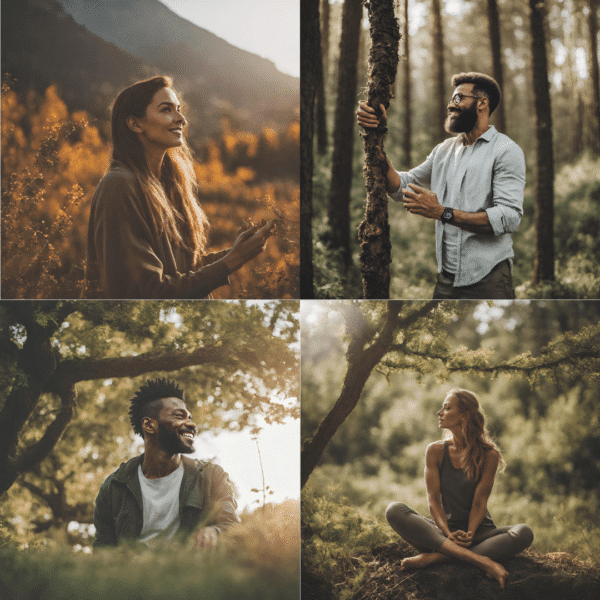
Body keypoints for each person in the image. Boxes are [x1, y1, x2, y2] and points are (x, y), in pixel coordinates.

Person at [86, 76, 276, 299]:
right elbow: (148, 292)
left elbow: (185, 268)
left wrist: (238, 252)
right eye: (167, 110)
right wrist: (231, 261)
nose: (181, 119)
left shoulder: (166, 185)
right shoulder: (119, 185)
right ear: (135, 124)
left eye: (179, 109)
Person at [357, 72, 526, 299]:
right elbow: (401, 185)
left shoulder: (506, 150)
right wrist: (377, 134)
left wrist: (441, 212)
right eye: (450, 99)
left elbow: (508, 217)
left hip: (489, 278)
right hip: (446, 280)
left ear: (482, 103)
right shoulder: (443, 150)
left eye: (458, 98)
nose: (450, 105)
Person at [385, 389, 533, 589]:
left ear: (464, 415)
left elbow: (480, 502)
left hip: (480, 535)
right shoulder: (435, 451)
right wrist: (446, 533)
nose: (440, 412)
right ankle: (481, 560)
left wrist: (470, 533)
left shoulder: (489, 455)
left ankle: (437, 558)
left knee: (524, 532)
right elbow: (433, 500)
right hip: (442, 535)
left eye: (447, 408)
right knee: (394, 510)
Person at [93, 378, 239, 549]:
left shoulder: (211, 476)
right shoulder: (114, 487)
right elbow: (103, 549)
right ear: (149, 425)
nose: (191, 424)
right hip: (131, 573)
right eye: (179, 416)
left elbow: (232, 526)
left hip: (191, 572)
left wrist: (214, 531)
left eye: (190, 418)